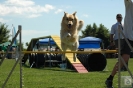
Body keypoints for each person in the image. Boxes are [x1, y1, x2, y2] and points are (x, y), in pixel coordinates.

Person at [105, 0, 133, 88]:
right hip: (127, 38)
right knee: (124, 59)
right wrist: (112, 41)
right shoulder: (130, 4)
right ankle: (110, 79)